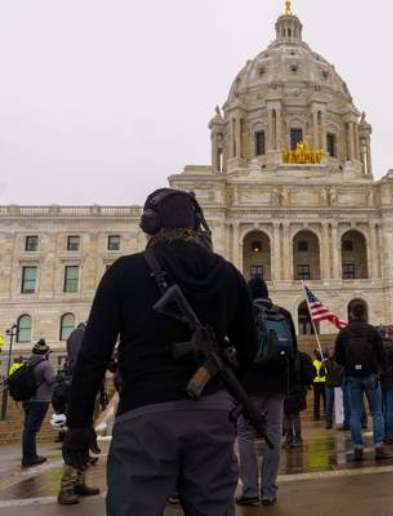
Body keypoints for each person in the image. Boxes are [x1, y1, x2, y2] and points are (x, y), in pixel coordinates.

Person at [63, 188, 258, 516]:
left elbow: (93, 355)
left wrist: (79, 423)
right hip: (211, 415)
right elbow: (250, 349)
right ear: (198, 224)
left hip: (145, 414)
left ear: (149, 225)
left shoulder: (124, 272)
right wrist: (221, 382)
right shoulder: (228, 274)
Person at [237, 276, 297, 507]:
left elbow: (237, 351)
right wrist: (289, 385)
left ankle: (250, 490)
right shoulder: (284, 314)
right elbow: (292, 353)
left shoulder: (245, 314)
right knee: (274, 436)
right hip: (277, 385)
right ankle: (269, 491)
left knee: (245, 435)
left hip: (249, 385)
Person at [334, 302, 390, 461]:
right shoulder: (372, 331)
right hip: (371, 375)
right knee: (377, 412)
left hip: (352, 377)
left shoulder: (344, 333)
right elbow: (382, 354)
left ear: (351, 314)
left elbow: (338, 358)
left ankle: (358, 447)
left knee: (355, 413)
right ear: (365, 313)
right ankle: (379, 446)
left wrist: (350, 366)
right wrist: (378, 370)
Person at [56, 323, 100, 505]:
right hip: (81, 392)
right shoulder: (83, 336)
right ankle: (66, 487)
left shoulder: (76, 335)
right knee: (77, 438)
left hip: (81, 390)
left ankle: (78, 482)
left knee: (83, 436)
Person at [21, 339, 56, 467]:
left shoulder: (29, 362)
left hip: (28, 400)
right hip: (40, 400)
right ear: (45, 353)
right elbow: (51, 380)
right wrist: (60, 376)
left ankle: (28, 455)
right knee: (32, 430)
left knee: (28, 429)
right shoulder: (45, 364)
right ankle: (30, 457)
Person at [284, 350, 316, 448]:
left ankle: (289, 439)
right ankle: (297, 438)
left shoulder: (285, 356)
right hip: (298, 389)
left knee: (287, 415)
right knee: (294, 415)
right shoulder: (302, 356)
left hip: (287, 388)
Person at [322, 349, 344, 430]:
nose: (331, 353)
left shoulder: (339, 362)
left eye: (332, 352)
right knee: (329, 405)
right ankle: (328, 422)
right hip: (329, 386)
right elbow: (321, 374)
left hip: (338, 385)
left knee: (340, 405)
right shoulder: (325, 363)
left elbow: (343, 371)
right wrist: (322, 367)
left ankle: (343, 421)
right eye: (329, 352)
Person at [312, 349, 326, 421]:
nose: (319, 356)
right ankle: (316, 416)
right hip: (316, 383)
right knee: (316, 400)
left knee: (325, 400)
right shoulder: (314, 363)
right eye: (318, 354)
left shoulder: (324, 362)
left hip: (324, 382)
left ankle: (326, 414)